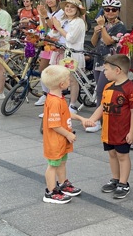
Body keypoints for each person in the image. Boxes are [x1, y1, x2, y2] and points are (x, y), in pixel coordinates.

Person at [85, 54, 133, 199]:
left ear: (117, 70)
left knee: (122, 155)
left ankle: (124, 183)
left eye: (106, 69)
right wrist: (92, 119)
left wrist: (132, 131)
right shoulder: (108, 87)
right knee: (112, 154)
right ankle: (115, 179)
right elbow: (102, 106)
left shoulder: (131, 89)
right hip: (108, 130)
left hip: (122, 130)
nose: (104, 72)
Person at [40, 65, 86, 204]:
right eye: (67, 79)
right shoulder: (54, 101)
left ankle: (62, 183)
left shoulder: (58, 97)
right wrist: (68, 134)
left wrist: (81, 118)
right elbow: (54, 124)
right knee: (53, 165)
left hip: (61, 140)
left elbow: (65, 114)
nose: (69, 80)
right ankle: (51, 191)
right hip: (55, 140)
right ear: (61, 84)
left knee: (62, 162)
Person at [89, 0, 127, 132]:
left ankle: (99, 121)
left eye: (113, 10)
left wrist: (103, 27)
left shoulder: (120, 26)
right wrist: (96, 31)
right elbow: (94, 42)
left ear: (118, 11)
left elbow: (109, 41)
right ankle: (103, 118)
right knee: (100, 92)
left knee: (101, 91)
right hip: (98, 60)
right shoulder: (102, 25)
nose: (110, 12)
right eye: (107, 10)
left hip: (111, 63)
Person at [49, 0, 87, 112]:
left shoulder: (79, 22)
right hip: (63, 53)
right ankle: (58, 103)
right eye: (67, 6)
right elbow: (54, 35)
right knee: (60, 79)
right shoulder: (65, 21)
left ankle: (72, 104)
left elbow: (71, 38)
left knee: (72, 80)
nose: (69, 9)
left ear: (77, 10)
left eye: (72, 7)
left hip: (73, 55)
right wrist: (56, 28)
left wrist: (59, 28)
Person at [34, 0, 66, 108]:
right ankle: (45, 93)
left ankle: (55, 94)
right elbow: (43, 27)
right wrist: (42, 17)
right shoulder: (46, 11)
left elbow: (53, 27)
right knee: (43, 69)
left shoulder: (61, 13)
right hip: (47, 42)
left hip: (56, 43)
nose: (49, 1)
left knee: (54, 71)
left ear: (57, 0)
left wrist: (45, 16)